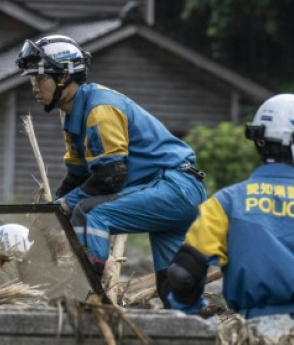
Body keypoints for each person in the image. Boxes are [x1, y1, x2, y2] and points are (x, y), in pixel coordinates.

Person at [166, 93, 294, 344]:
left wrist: (196, 321)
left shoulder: (224, 204)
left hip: (249, 334)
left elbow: (183, 275)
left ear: (259, 143)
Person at [15, 35, 207, 306]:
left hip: (174, 187)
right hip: (166, 190)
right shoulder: (72, 115)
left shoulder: (100, 109)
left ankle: (89, 292)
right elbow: (79, 177)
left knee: (91, 212)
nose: (34, 87)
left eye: (39, 78)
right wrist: (50, 210)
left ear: (64, 77)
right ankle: (195, 324)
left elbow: (110, 178)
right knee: (175, 288)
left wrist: (65, 205)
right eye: (31, 79)